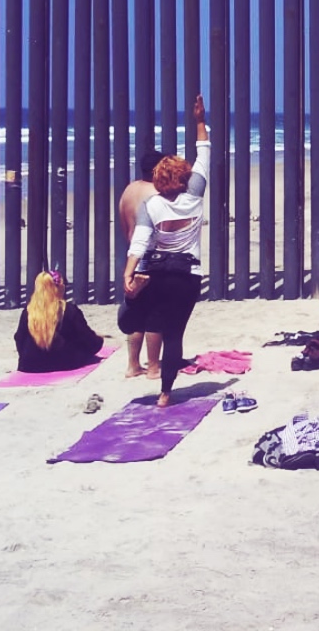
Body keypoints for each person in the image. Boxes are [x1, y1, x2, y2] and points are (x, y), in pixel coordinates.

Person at [123, 94, 210, 408]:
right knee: (175, 334)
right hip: (188, 275)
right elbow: (204, 155)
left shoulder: (152, 204)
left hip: (158, 272)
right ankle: (165, 393)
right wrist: (200, 121)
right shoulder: (195, 197)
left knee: (152, 321)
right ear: (184, 176)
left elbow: (141, 241)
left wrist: (128, 271)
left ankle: (147, 369)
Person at [117, 149, 167, 378]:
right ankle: (154, 366)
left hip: (132, 256)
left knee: (136, 312)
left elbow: (125, 226)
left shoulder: (129, 190)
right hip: (151, 256)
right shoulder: (156, 193)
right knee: (156, 313)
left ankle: (132, 365)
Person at [14, 270, 105, 373]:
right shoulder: (69, 310)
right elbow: (86, 337)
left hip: (30, 365)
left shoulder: (28, 311)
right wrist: (99, 342)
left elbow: (19, 338)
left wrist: (25, 355)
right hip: (64, 362)